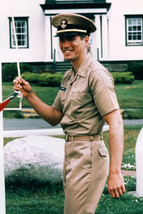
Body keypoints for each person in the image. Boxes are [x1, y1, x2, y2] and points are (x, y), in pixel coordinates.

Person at [13, 13, 125, 214]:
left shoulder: (96, 75)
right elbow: (55, 116)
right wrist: (30, 95)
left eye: (71, 38)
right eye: (62, 39)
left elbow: (115, 122)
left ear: (86, 40)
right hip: (72, 151)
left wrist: (115, 172)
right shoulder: (68, 76)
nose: (65, 44)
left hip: (89, 154)